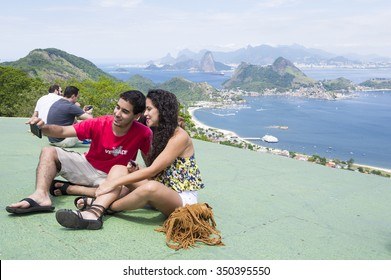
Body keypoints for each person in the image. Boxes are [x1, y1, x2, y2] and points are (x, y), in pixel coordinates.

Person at [55, 89, 205, 230]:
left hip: (181, 199)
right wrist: (133, 170)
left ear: (163, 111)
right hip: (163, 187)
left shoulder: (180, 137)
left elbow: (153, 170)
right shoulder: (160, 132)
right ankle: (95, 212)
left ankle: (99, 208)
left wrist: (112, 183)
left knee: (150, 188)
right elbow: (156, 170)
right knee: (119, 168)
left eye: (149, 109)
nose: (145, 113)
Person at [6, 90, 152, 214]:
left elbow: (150, 165)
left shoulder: (144, 133)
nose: (117, 113)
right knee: (48, 151)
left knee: (130, 190)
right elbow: (63, 130)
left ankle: (72, 189)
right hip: (86, 167)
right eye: (117, 107)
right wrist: (43, 128)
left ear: (137, 116)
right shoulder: (99, 123)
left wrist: (136, 170)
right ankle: (41, 196)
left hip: (113, 179)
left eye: (125, 111)